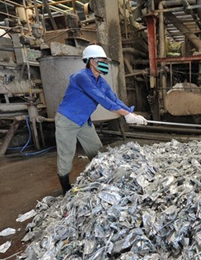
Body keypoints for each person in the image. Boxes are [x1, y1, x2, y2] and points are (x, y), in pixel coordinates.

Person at [55, 44, 147, 195]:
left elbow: (113, 99)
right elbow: (102, 100)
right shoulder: (81, 77)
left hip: (84, 121)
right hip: (67, 120)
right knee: (66, 155)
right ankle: (66, 188)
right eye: (102, 60)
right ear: (92, 61)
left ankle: (100, 179)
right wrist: (125, 114)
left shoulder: (101, 81)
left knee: (97, 150)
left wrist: (132, 114)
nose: (105, 64)